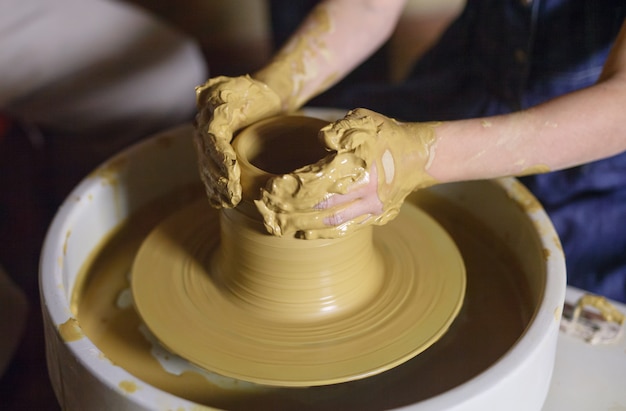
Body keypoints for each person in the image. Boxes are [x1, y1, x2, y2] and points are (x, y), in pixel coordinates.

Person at [194, 0, 626, 303]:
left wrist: (422, 157)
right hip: (468, 83)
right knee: (338, 144)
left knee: (566, 305)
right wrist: (277, 86)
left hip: (593, 156)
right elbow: (370, 6)